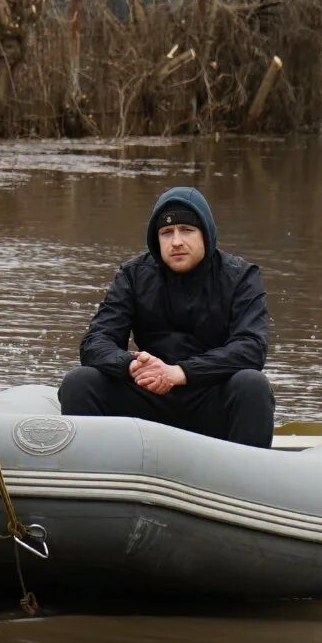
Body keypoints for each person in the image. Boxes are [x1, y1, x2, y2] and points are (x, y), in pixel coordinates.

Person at [57, 185, 274, 447]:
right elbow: (95, 342)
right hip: (148, 395)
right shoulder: (133, 275)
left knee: (252, 385)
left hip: (209, 397)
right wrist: (131, 365)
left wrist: (180, 372)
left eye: (186, 230)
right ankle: (95, 479)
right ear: (156, 240)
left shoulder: (241, 277)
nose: (176, 241)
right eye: (166, 232)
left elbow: (251, 348)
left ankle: (246, 480)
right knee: (80, 382)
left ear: (206, 234)